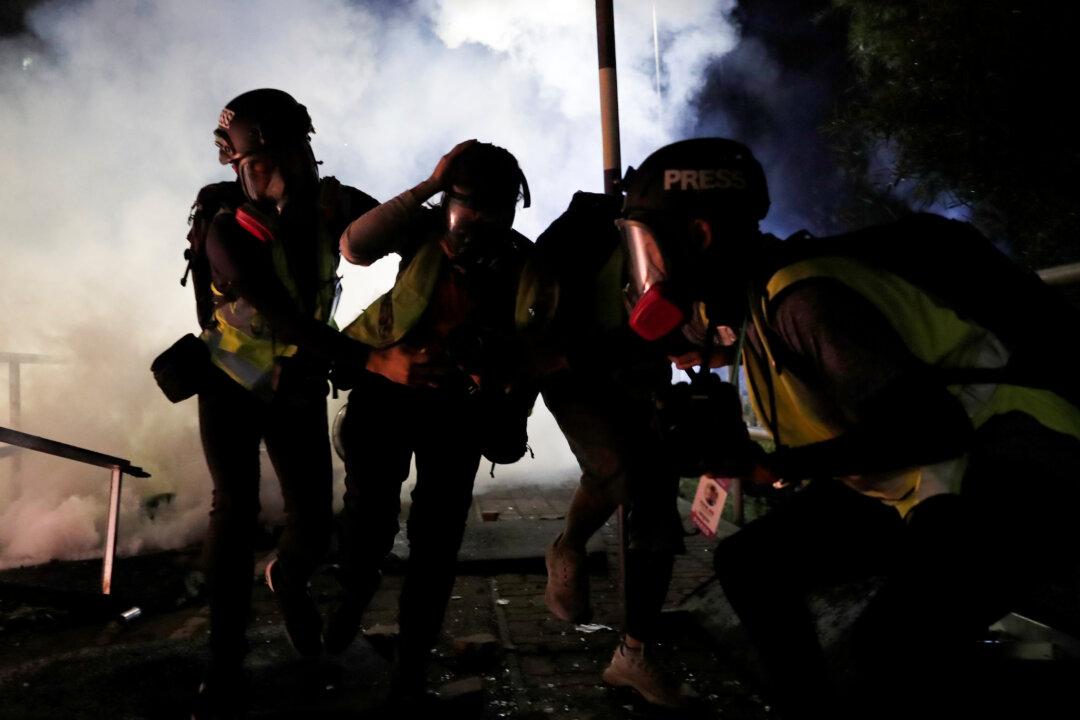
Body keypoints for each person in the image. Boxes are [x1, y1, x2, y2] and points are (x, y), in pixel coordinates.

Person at [615, 137, 1080, 717]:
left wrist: (779, 467)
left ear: (699, 236)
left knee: (889, 651)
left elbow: (932, 427)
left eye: (650, 246)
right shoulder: (758, 301)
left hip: (1017, 470)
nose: (648, 267)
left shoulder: (801, 302)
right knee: (752, 565)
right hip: (929, 479)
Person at [181, 88, 377, 717]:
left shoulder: (329, 206)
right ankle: (225, 659)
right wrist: (369, 358)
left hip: (295, 388)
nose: (281, 174)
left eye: (292, 157)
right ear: (237, 169)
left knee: (314, 522)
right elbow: (282, 314)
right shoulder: (223, 228)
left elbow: (398, 229)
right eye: (261, 164)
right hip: (231, 388)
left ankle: (288, 578)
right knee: (233, 516)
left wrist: (438, 194)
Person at [326, 140, 534, 701]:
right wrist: (427, 184)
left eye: (498, 208)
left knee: (436, 542)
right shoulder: (419, 232)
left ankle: (411, 666)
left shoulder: (519, 261)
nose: (484, 222)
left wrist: (504, 399)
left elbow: (534, 346)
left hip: (456, 410)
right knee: (368, 520)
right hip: (385, 395)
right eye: (473, 206)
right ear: (449, 201)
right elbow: (354, 246)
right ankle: (353, 591)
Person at [516, 191, 695, 708]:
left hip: (641, 378)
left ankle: (633, 654)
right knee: (616, 470)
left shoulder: (685, 246)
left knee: (657, 511)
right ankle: (568, 544)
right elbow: (548, 335)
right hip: (575, 376)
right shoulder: (578, 238)